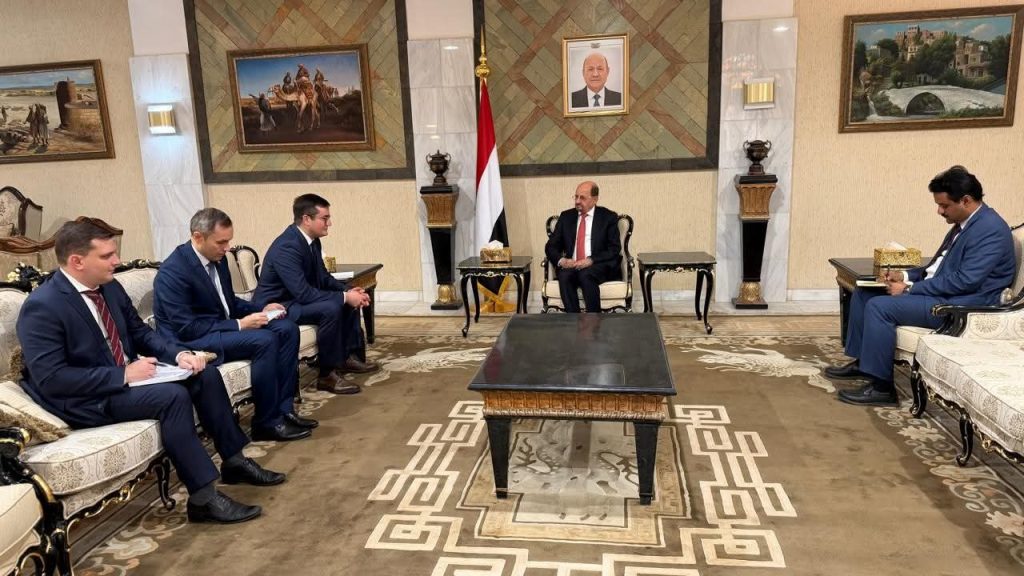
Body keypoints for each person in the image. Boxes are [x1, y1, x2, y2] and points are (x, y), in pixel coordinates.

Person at [16, 221, 284, 524]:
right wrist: (123, 375)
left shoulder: (109, 287)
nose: (117, 261)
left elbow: (141, 333)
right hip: (84, 398)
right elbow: (52, 379)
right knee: (171, 397)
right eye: (106, 256)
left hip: (126, 379)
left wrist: (181, 355)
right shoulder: (43, 306)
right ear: (77, 261)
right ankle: (203, 499)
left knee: (205, 374)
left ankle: (234, 462)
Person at [826, 165, 1016, 406]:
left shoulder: (990, 229)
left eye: (944, 206)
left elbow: (965, 281)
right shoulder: (966, 223)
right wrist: (904, 276)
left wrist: (909, 289)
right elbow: (938, 266)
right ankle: (865, 364)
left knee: (880, 307)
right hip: (946, 294)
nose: (939, 211)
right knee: (864, 292)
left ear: (966, 201)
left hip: (961, 306)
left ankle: (882, 389)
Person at [154, 208, 316, 442]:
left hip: (217, 328)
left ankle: (284, 411)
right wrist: (240, 325)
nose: (227, 247)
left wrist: (261, 309)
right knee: (264, 340)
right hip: (191, 340)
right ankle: (266, 423)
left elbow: (228, 302)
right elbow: (187, 328)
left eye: (229, 241)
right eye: (221, 242)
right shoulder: (174, 271)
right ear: (198, 237)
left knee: (287, 328)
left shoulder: (217, 259)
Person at [253, 194, 379, 395]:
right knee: (331, 308)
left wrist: (347, 291)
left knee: (344, 298)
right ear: (306, 219)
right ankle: (327, 375)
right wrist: (345, 297)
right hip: (278, 305)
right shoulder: (287, 246)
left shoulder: (312, 241)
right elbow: (303, 292)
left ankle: (346, 358)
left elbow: (323, 277)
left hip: (296, 300)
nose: (330, 223)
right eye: (325, 218)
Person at [544, 181, 622, 313]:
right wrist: (562, 261)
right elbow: (551, 246)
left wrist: (591, 260)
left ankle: (593, 319)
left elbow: (614, 249)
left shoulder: (608, 217)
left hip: (597, 265)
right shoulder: (566, 217)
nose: (577, 201)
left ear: (595, 199)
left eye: (582, 198)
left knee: (585, 274)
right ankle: (574, 319)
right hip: (572, 265)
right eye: (576, 197)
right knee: (564, 275)